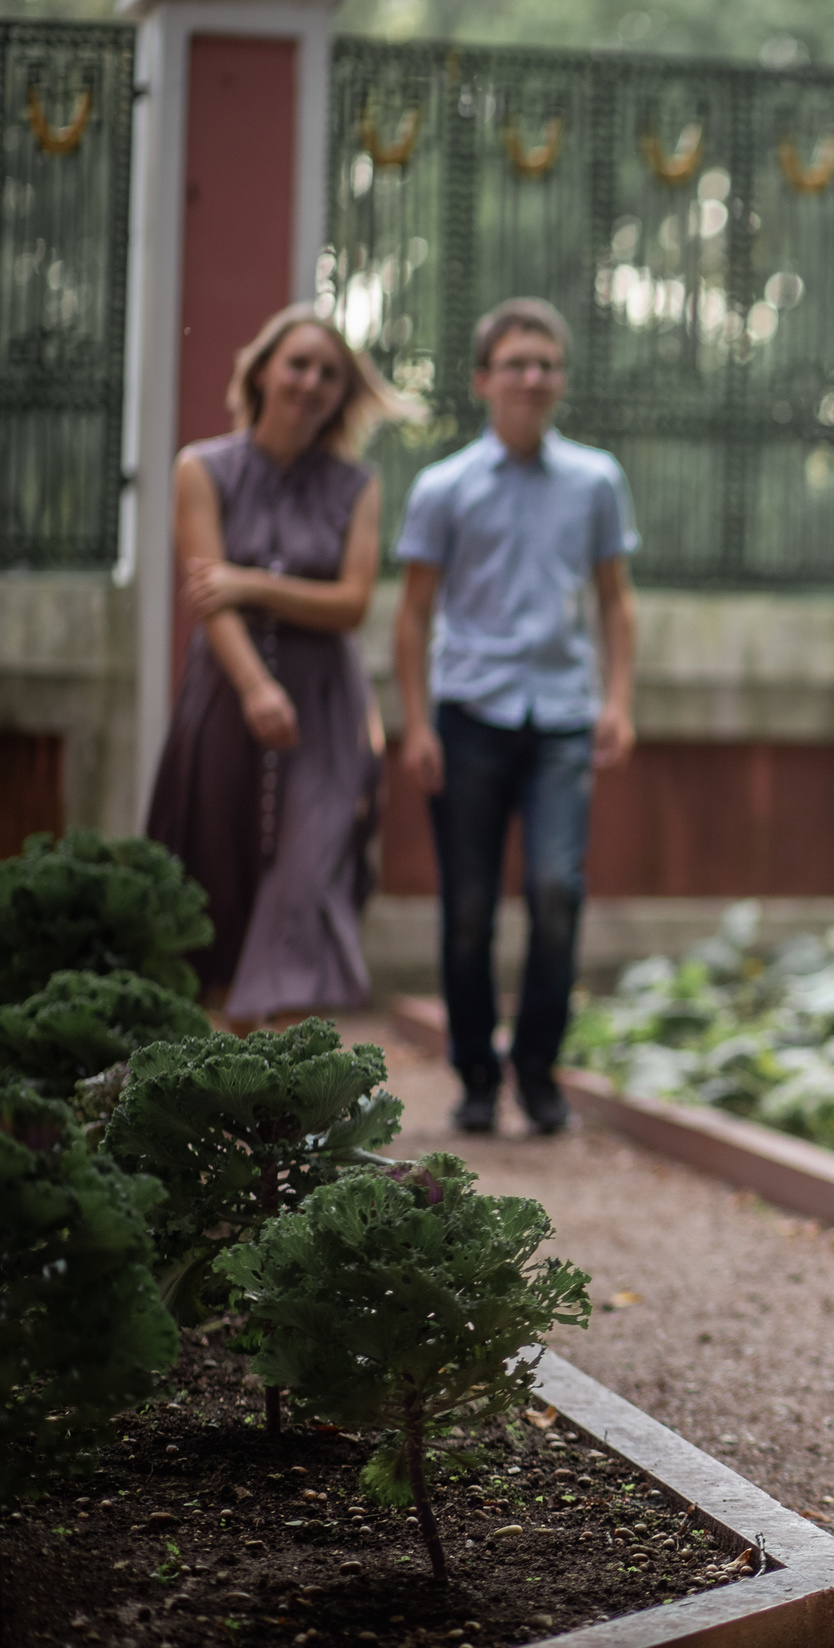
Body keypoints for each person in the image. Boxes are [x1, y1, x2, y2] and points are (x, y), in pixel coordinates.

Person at [391, 298, 638, 1135]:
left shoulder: (596, 480)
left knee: (555, 889)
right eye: (516, 363)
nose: (532, 377)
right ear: (482, 379)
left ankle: (536, 1072)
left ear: (560, 379)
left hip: (562, 718)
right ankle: (472, 1076)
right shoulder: (443, 487)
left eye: (546, 363)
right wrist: (416, 723)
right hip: (468, 718)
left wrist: (618, 701)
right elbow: (413, 615)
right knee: (467, 908)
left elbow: (616, 601)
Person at [145, 303, 417, 1023]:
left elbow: (351, 603)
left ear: (342, 393)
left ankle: (285, 1074)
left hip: (327, 703)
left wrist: (253, 581)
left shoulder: (356, 486)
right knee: (216, 865)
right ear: (262, 369)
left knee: (311, 868)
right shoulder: (200, 467)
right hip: (227, 689)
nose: (311, 382)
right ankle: (220, 1064)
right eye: (298, 363)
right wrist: (256, 687)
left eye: (330, 373)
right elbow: (211, 599)